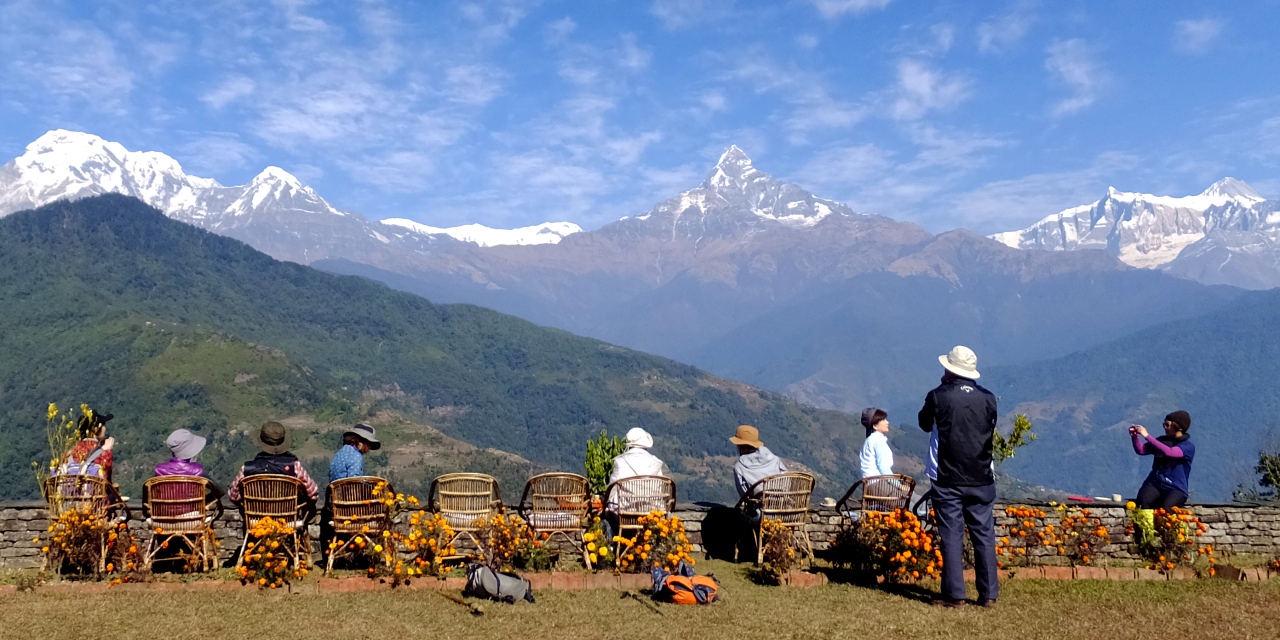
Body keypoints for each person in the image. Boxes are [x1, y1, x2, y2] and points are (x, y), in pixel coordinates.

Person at [918, 345, 999, 608]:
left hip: (947, 477)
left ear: (949, 369)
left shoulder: (938, 396)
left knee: (952, 534)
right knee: (984, 534)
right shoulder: (988, 398)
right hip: (982, 475)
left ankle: (955, 594)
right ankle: (988, 595)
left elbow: (924, 423)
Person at [227, 421, 319, 521]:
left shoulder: (247, 469)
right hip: (287, 520)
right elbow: (312, 493)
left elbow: (233, 496)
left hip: (256, 522)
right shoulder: (294, 466)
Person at [145, 428, 224, 517]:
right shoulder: (197, 470)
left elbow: (147, 499)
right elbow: (219, 492)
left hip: (163, 519)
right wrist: (201, 502)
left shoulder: (159, 470)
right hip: (193, 519)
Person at [1130, 411, 1195, 509]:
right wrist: (1134, 437)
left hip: (1176, 488)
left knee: (1168, 507)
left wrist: (1147, 436)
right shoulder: (1161, 441)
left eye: (1167, 425)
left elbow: (1170, 452)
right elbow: (1141, 450)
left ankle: (1168, 524)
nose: (1165, 427)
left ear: (1179, 427)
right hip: (1155, 483)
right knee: (1143, 501)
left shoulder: (1188, 447)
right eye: (1164, 424)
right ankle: (1146, 524)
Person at [731, 425, 787, 498]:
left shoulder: (739, 467)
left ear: (740, 446)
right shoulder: (775, 459)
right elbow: (786, 479)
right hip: (782, 504)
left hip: (759, 507)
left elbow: (744, 495)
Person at [64, 411, 116, 482]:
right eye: (103, 425)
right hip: (94, 492)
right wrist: (107, 451)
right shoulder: (104, 455)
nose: (104, 428)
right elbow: (107, 482)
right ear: (96, 429)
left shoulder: (68, 455)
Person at [860, 408, 894, 477]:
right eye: (883, 420)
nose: (887, 422)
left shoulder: (870, 440)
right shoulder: (878, 441)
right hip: (879, 482)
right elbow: (883, 468)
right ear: (875, 426)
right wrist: (898, 485)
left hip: (869, 482)